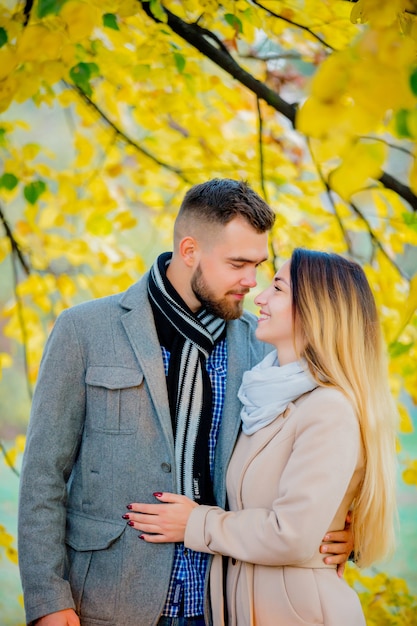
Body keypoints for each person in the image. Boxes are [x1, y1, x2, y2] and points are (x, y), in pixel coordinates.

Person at [18, 181, 352, 626]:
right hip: (105, 600)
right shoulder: (85, 330)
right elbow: (43, 474)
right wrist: (47, 599)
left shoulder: (260, 346)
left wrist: (347, 533)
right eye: (238, 264)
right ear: (190, 250)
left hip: (223, 600)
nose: (251, 282)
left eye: (259, 265)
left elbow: (309, 453)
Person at [124, 248, 398, 626]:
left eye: (278, 288)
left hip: (300, 613)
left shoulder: (329, 408)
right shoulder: (265, 399)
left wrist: (194, 523)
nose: (260, 297)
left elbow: (292, 535)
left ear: (317, 309)